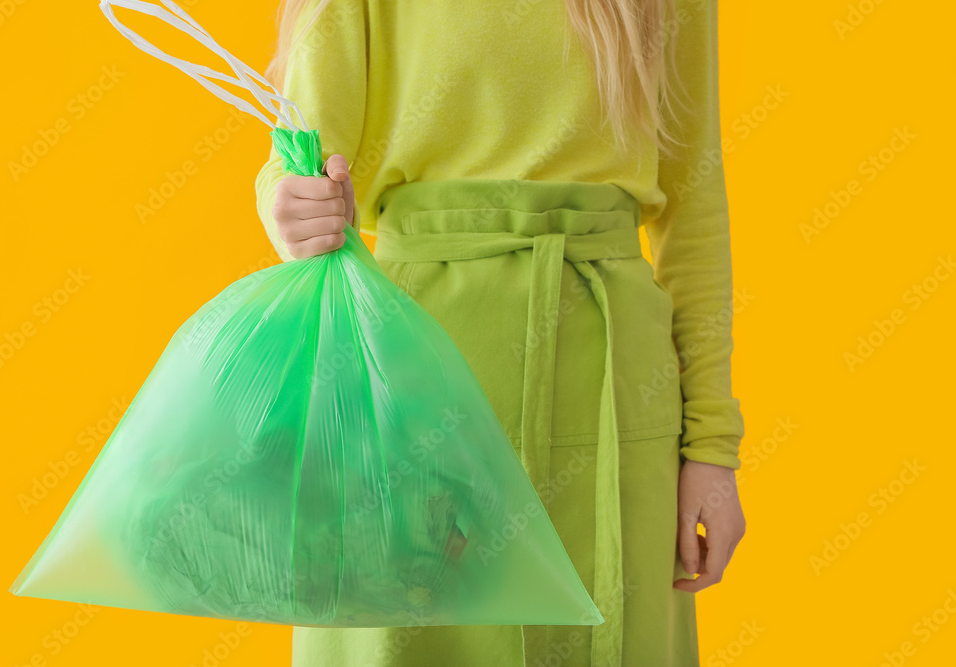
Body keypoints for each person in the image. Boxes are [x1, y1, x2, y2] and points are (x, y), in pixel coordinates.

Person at [255, 1, 747, 665]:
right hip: (411, 383)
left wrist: (712, 446)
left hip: (609, 395)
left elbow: (692, 203)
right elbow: (300, 156)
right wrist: (290, 205)